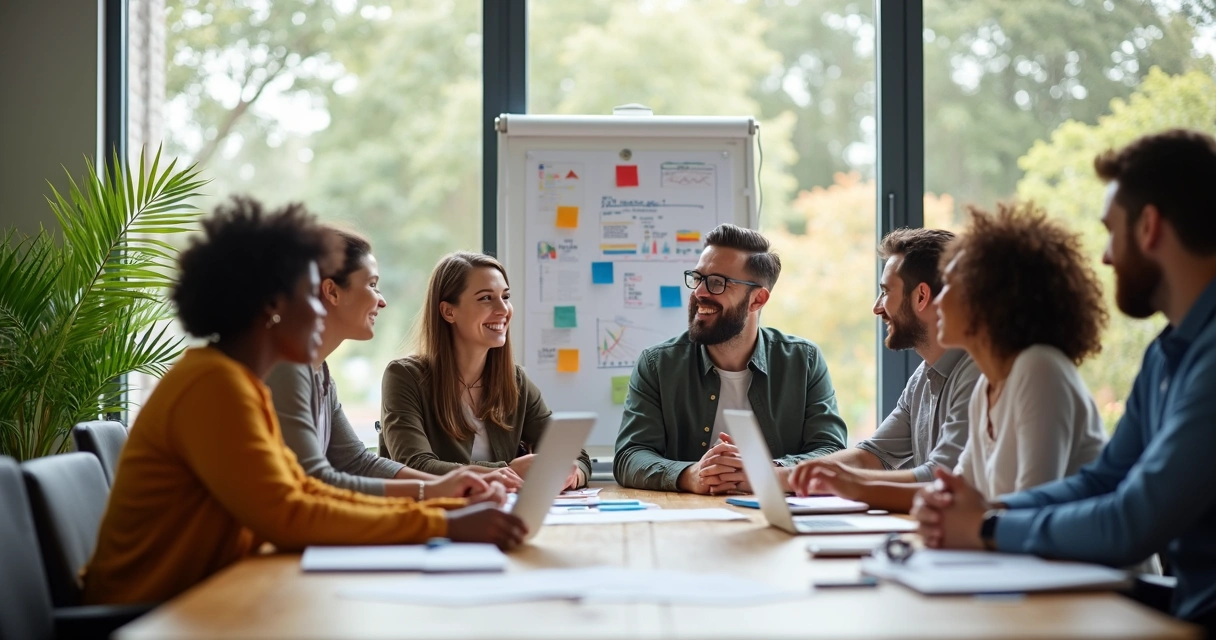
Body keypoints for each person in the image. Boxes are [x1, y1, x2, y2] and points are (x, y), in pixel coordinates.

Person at [82, 198, 525, 606]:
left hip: (199, 599)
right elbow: (290, 514)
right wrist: (442, 522)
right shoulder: (213, 385)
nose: (320, 309)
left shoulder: (239, 382)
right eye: (311, 295)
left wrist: (443, 504)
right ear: (273, 305)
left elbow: (305, 488)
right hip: (147, 613)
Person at [913, 129, 1216, 632]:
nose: (1105, 257)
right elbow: (1105, 479)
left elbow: (1132, 521)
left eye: (1110, 231)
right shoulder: (1166, 353)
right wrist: (985, 510)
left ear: (1149, 227)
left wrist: (986, 524)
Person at [811, 203, 1110, 513]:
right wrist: (847, 484)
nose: (936, 300)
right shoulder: (987, 389)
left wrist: (853, 485)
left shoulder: (1040, 369)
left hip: (1085, 563)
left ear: (987, 301)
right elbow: (952, 491)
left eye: (950, 286)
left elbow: (1027, 512)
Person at [613, 223, 847, 494]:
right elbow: (630, 456)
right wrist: (691, 475)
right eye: (698, 278)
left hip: (774, 518)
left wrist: (765, 470)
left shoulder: (803, 361)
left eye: (717, 283)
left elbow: (832, 450)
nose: (700, 292)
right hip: (686, 518)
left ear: (757, 299)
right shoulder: (657, 364)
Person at [265, 226, 489, 499]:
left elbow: (357, 462)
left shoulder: (318, 372)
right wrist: (431, 490)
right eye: (372, 285)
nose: (381, 301)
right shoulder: (286, 366)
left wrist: (452, 485)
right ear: (332, 292)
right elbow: (313, 478)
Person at [788, 228, 980, 510]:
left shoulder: (976, 373)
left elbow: (941, 477)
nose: (877, 308)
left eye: (886, 291)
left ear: (921, 296)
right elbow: (872, 455)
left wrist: (849, 483)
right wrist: (769, 476)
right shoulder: (923, 377)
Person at [380, 251, 591, 489]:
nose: (503, 309)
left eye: (506, 296)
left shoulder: (516, 381)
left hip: (499, 515)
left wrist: (571, 475)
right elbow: (414, 466)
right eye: (485, 298)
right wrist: (504, 472)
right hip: (430, 520)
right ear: (449, 311)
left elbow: (578, 457)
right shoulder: (405, 377)